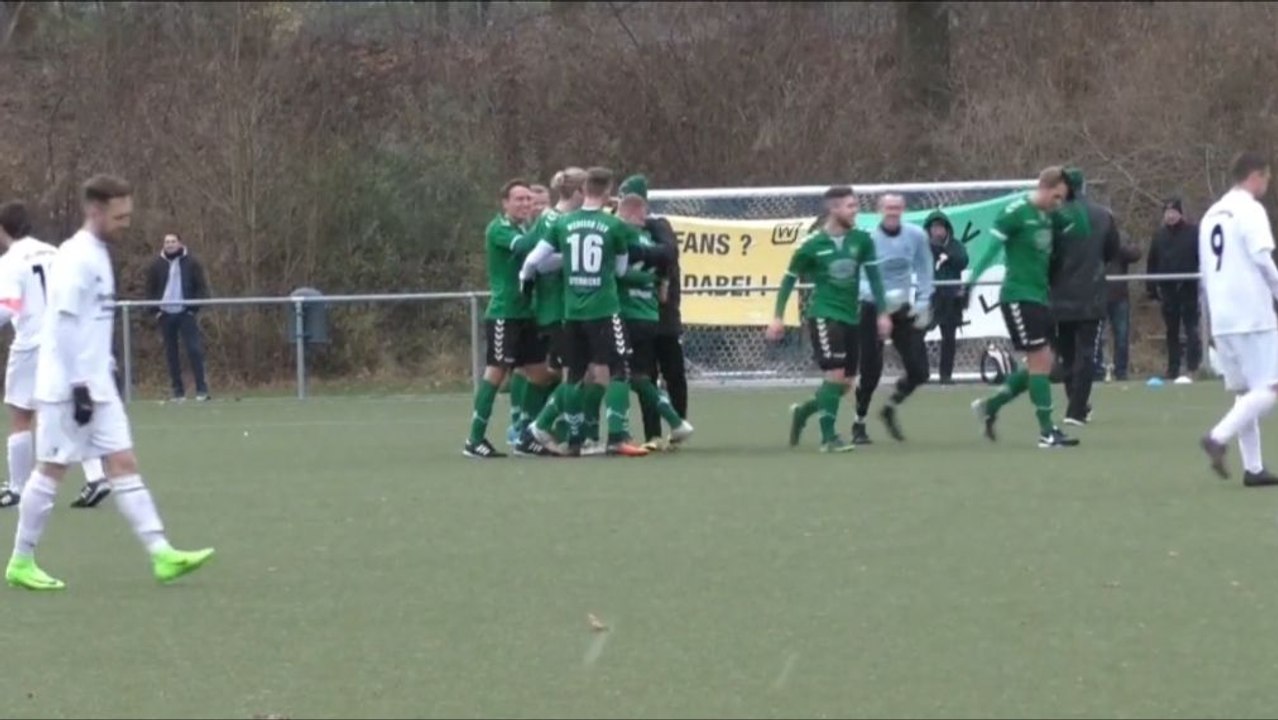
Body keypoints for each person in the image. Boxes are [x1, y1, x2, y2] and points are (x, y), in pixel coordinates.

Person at [6, 175, 214, 591]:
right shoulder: (74, 257)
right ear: (95, 211)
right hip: (68, 386)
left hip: (96, 381)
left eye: (128, 215)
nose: (126, 223)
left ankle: (161, 553)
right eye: (119, 216)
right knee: (50, 470)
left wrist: (103, 369)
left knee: (123, 463)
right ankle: (21, 561)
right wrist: (80, 384)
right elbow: (63, 325)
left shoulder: (100, 254)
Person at [521, 167, 649, 457]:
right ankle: (616, 437)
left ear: (585, 189)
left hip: (572, 312)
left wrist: (525, 283)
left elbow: (533, 261)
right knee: (619, 370)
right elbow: (619, 269)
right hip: (604, 308)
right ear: (606, 192)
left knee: (574, 375)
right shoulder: (613, 225)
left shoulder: (563, 224)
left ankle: (576, 441)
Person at [0, 202, 112, 510]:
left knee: (21, 414)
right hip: (65, 340)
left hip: (31, 344)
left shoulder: (10, 261)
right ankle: (97, 477)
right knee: (71, 411)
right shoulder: (54, 252)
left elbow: (9, 307)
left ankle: (17, 488)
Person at [968, 166, 1089, 448]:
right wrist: (971, 282)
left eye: (1063, 198)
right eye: (1057, 196)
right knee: (1038, 361)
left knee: (1044, 364)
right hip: (1018, 296)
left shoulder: (1051, 214)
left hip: (1040, 296)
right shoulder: (1015, 212)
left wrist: (1074, 196)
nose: (1059, 203)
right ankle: (1047, 432)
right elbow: (989, 250)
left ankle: (991, 406)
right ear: (1044, 188)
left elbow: (1082, 230)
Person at [766, 186, 890, 453]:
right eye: (849, 206)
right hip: (823, 313)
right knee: (834, 375)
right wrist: (777, 316)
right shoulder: (811, 245)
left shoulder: (862, 240)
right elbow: (789, 279)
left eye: (856, 206)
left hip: (851, 316)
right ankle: (828, 438)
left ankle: (803, 411)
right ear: (833, 209)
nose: (855, 211)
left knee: (846, 384)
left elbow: (875, 278)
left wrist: (882, 312)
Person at [1197, 153, 1278, 485]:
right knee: (1272, 386)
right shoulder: (1250, 209)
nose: (1268, 184)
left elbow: (1204, 270)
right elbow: (1262, 256)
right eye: (1267, 177)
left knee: (1245, 394)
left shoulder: (1210, 214)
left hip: (1222, 315)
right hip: (1252, 313)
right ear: (1255, 176)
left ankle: (1254, 468)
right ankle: (1217, 436)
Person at [463, 180, 558, 459]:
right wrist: (550, 221)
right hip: (505, 313)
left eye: (529, 199)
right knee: (496, 372)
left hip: (528, 314)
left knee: (543, 376)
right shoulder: (499, 229)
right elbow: (525, 247)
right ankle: (474, 440)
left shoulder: (527, 227)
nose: (526, 204)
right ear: (505, 203)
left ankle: (526, 435)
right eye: (519, 199)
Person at [509, 168, 586, 452]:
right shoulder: (556, 220)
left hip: (559, 308)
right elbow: (535, 261)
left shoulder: (552, 218)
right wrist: (571, 259)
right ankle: (534, 431)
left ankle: (537, 430)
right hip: (558, 309)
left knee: (551, 374)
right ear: (578, 192)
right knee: (572, 373)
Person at [614, 176, 694, 448]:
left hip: (665, 313)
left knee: (674, 372)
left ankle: (678, 424)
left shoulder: (658, 227)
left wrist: (635, 252)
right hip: (638, 314)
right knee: (645, 372)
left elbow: (668, 254)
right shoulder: (621, 231)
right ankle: (653, 434)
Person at [851, 193, 934, 444]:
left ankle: (889, 408)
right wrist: (880, 308)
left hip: (902, 309)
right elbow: (860, 277)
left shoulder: (916, 235)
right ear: (879, 210)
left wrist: (922, 302)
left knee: (920, 370)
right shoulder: (868, 239)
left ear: (903, 209)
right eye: (888, 207)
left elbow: (924, 268)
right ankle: (859, 423)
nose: (893, 211)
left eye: (897, 207)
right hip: (872, 307)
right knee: (870, 371)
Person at [1049, 168, 1120, 426]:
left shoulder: (1054, 216)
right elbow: (1113, 251)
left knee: (1067, 353)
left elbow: (1048, 254)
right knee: (1087, 353)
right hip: (1092, 294)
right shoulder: (1102, 215)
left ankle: (1077, 404)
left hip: (1059, 294)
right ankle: (1077, 410)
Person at [146, 233, 211, 402]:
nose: (170, 244)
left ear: (180, 243)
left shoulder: (192, 262)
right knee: (171, 353)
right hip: (166, 314)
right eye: (167, 242)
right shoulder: (156, 265)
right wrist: (156, 311)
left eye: (173, 241)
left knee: (194, 350)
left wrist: (193, 308)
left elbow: (202, 287)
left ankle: (201, 390)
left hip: (185, 313)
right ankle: (178, 392)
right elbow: (150, 290)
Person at [1146, 197, 1201, 384]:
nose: (1170, 216)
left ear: (1180, 213)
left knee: (1192, 329)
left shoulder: (1193, 233)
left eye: (1173, 212)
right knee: (1172, 331)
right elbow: (1152, 262)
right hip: (1168, 291)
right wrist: (1152, 288)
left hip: (1188, 288)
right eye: (1167, 212)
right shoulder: (1159, 236)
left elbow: (1200, 257)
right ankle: (1173, 368)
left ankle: (1193, 367)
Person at [925, 210, 968, 385]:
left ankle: (945, 376)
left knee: (949, 338)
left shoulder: (955, 246)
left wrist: (947, 255)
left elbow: (963, 261)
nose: (937, 231)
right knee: (917, 334)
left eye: (941, 227)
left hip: (951, 298)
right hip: (931, 297)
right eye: (934, 227)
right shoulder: (924, 246)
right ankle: (920, 372)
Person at [1094, 231, 1142, 381]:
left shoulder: (1119, 243)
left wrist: (1120, 246)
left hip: (1119, 297)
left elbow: (1135, 255)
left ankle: (1121, 370)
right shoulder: (1093, 243)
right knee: (1096, 336)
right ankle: (1097, 370)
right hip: (1098, 296)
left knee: (1122, 335)